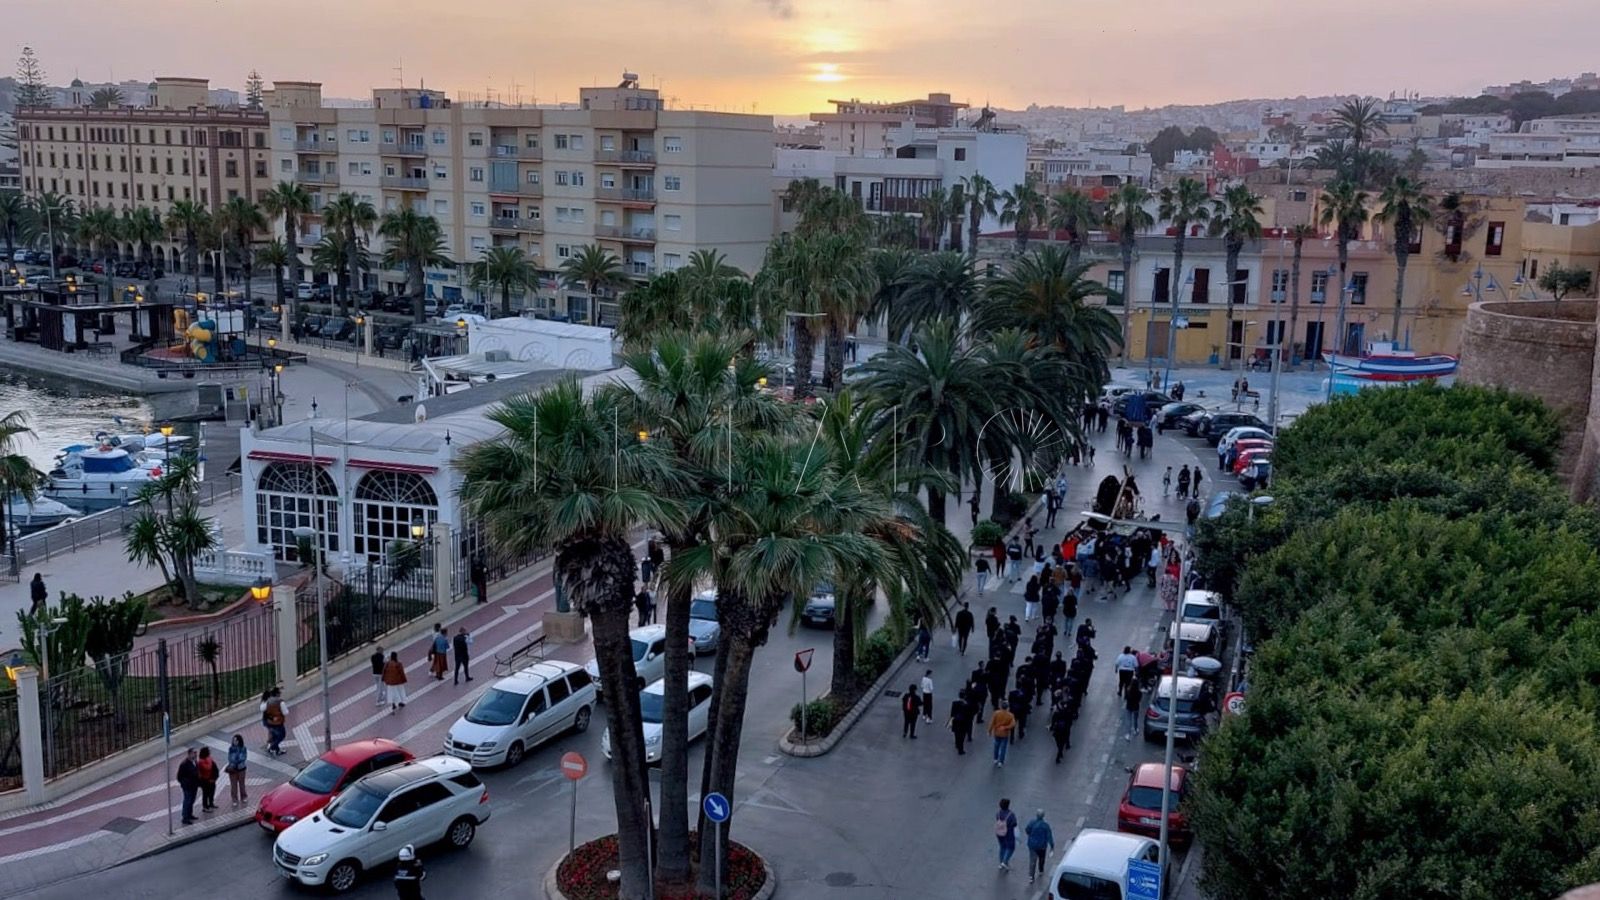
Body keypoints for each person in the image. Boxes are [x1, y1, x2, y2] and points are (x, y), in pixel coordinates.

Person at [1025, 809, 1056, 884]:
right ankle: (1041, 870)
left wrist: (1031, 835)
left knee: (1032, 861)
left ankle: (1031, 877)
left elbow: (1027, 830)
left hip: (1032, 845)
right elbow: (1049, 837)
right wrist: (1052, 846)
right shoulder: (1045, 825)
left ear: (1036, 815)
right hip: (1042, 846)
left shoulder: (1032, 822)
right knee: (1042, 858)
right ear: (1043, 816)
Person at [176, 747, 201, 824]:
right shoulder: (184, 764)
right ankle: (185, 817)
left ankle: (190, 814)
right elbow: (179, 777)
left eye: (196, 753)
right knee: (187, 801)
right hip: (187, 787)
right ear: (189, 754)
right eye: (194, 753)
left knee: (192, 800)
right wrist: (185, 783)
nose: (195, 754)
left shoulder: (195, 762)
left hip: (194, 786)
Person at [260, 687, 287, 757]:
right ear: (277, 694)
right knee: (281, 735)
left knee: (274, 735)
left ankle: (276, 750)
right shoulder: (280, 702)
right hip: (278, 722)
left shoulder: (267, 701)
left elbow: (262, 709)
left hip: (269, 721)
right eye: (280, 692)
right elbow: (285, 712)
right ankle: (272, 747)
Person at [994, 798, 1019, 871]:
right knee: (1011, 848)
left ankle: (1001, 862)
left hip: (999, 832)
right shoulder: (1011, 814)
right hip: (1008, 833)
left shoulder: (998, 813)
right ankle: (1004, 862)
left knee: (1002, 847)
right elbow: (1014, 823)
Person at [989, 700, 1016, 767]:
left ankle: (995, 759)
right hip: (1005, 734)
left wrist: (989, 731)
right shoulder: (1010, 715)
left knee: (996, 745)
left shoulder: (996, 713)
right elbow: (1013, 724)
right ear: (1007, 707)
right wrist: (1006, 727)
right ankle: (1001, 761)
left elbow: (992, 722)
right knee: (1003, 748)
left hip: (997, 732)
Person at [225, 734, 249, 806]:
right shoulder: (231, 748)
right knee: (233, 785)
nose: (234, 742)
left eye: (235, 740)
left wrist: (235, 760)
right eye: (233, 740)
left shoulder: (243, 748)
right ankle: (234, 799)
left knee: (242, 784)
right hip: (233, 769)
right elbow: (230, 758)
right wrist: (235, 761)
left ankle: (243, 797)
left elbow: (243, 758)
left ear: (239, 741)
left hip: (241, 768)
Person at [195, 746, 219, 812]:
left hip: (211, 779)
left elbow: (214, 768)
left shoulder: (209, 759)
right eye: (209, 751)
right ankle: (205, 806)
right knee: (205, 794)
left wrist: (214, 777)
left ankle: (211, 803)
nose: (210, 752)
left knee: (212, 792)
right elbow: (207, 768)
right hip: (205, 780)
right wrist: (210, 761)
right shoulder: (201, 761)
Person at [1122, 677, 1144, 741]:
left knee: (1129, 720)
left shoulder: (1128, 690)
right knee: (1135, 719)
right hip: (1136, 707)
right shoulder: (1139, 692)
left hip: (1129, 707)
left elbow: (1126, 698)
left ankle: (1128, 734)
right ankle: (1135, 729)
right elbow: (1139, 700)